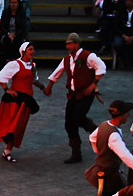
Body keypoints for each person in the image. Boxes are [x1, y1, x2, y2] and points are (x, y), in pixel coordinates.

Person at [78, 100, 133, 196]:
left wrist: (99, 151)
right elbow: (124, 154)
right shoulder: (113, 135)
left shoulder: (103, 125)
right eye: (127, 113)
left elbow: (92, 138)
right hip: (110, 172)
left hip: (104, 169)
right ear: (122, 115)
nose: (128, 115)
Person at [44, 32, 107, 163]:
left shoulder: (88, 56)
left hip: (86, 93)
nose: (67, 46)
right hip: (73, 94)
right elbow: (57, 72)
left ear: (77, 44)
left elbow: (101, 67)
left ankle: (98, 133)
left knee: (78, 117)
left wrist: (93, 85)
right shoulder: (67, 59)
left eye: (70, 43)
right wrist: (49, 87)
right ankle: (76, 153)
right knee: (69, 123)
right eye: (67, 44)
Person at [0, 42, 44, 162]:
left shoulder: (32, 66)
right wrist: (6, 89)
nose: (33, 51)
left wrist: (43, 88)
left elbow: (34, 80)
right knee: (9, 124)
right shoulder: (15, 64)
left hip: (26, 102)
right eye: (30, 49)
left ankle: (7, 152)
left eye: (33, 49)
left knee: (18, 128)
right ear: (23, 51)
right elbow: (1, 77)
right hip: (15, 101)